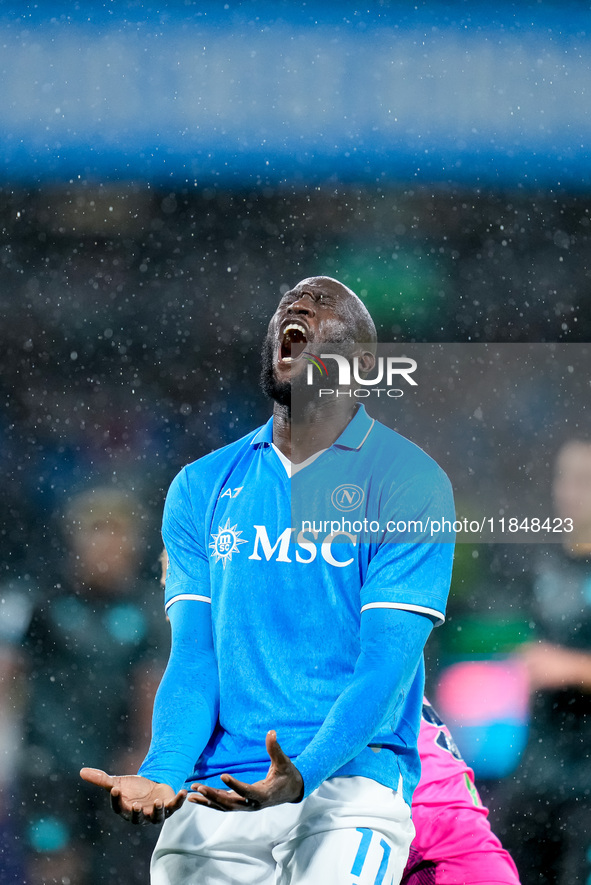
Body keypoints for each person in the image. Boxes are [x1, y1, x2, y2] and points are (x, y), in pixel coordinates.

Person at [81, 276, 455, 885]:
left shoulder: (409, 483)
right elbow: (195, 658)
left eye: (323, 306)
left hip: (347, 784)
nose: (298, 305)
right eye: (288, 305)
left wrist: (303, 772)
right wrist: (164, 769)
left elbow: (385, 667)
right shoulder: (201, 486)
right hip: (219, 787)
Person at [19, 486, 168, 885]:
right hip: (50, 767)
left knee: (117, 871)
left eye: (118, 534)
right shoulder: (47, 604)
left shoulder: (146, 609)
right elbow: (16, 675)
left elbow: (149, 683)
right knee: (54, 866)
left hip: (116, 767)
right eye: (98, 532)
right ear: (76, 541)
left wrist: (141, 750)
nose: (108, 546)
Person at [495, 438, 591, 885]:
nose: (570, 492)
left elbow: (556, 660)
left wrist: (569, 668)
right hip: (536, 774)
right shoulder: (544, 562)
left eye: (584, 481)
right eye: (564, 478)